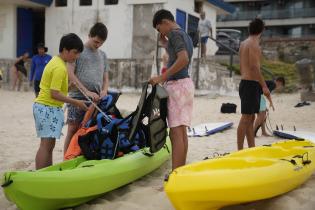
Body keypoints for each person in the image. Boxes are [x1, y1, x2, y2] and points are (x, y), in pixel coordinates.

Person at [33, 33, 88, 169]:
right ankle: (42, 176)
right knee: (46, 146)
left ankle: (45, 173)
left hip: (46, 107)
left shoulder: (56, 61)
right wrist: (77, 102)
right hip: (47, 107)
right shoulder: (60, 68)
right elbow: (54, 94)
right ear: (65, 50)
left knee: (47, 145)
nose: (76, 57)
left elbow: (55, 89)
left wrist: (70, 86)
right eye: (75, 53)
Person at [150, 9, 194, 170]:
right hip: (186, 85)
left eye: (158, 28)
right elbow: (180, 55)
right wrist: (166, 45)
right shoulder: (184, 34)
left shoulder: (175, 35)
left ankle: (175, 175)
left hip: (177, 86)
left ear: (164, 22)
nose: (159, 32)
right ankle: (181, 172)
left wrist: (161, 77)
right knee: (182, 132)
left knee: (175, 134)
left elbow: (183, 59)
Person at [64, 22, 110, 154]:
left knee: (88, 130)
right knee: (73, 129)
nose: (98, 45)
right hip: (77, 97)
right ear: (89, 35)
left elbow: (106, 78)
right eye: (96, 41)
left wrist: (104, 90)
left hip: (96, 101)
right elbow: (70, 74)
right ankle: (66, 158)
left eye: (101, 43)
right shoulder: (78, 51)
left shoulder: (103, 55)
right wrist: (87, 91)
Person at [237, 18, 273, 150]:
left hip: (245, 83)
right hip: (250, 84)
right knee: (246, 118)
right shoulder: (254, 44)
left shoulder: (243, 43)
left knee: (250, 118)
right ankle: (240, 150)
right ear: (262, 30)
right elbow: (254, 68)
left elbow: (242, 66)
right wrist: (264, 86)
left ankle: (251, 147)